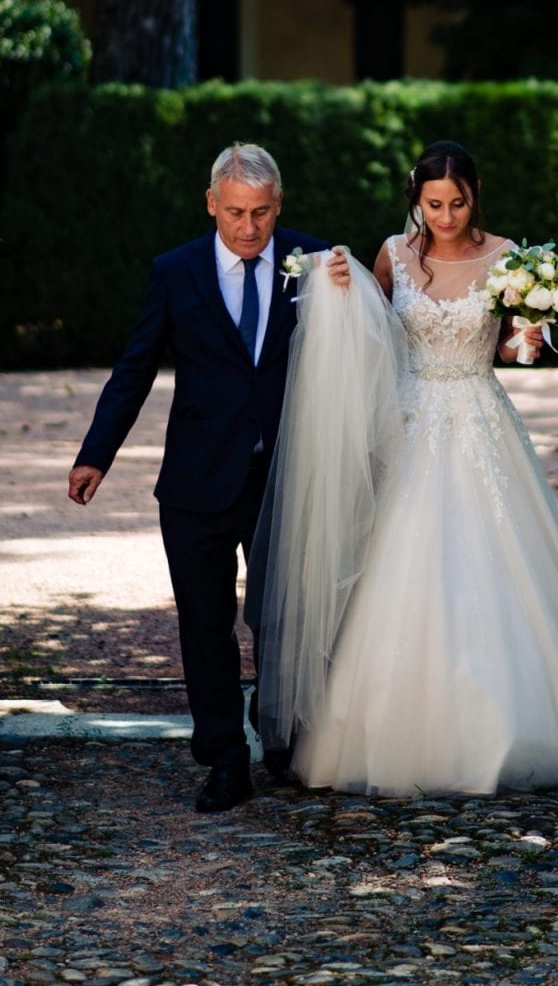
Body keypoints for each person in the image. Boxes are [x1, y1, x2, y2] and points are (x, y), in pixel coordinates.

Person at [253, 139, 558, 795]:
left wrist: (536, 314)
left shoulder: (508, 259)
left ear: (475, 197)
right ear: (417, 199)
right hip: (411, 420)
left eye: (456, 202)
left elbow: (518, 354)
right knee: (398, 562)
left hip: (479, 417)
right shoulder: (393, 253)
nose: (444, 216)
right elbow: (374, 335)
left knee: (498, 560)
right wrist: (338, 290)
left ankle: (518, 730)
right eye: (433, 203)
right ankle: (386, 730)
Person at [67, 142, 348, 814]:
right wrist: (95, 454)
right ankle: (224, 759)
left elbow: (356, 352)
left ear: (278, 206)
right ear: (210, 205)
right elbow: (134, 369)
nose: (248, 229)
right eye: (234, 214)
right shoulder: (176, 271)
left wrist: (345, 295)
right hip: (195, 481)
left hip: (284, 474)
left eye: (260, 213)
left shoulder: (314, 262)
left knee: (283, 618)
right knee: (204, 623)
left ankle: (283, 737)